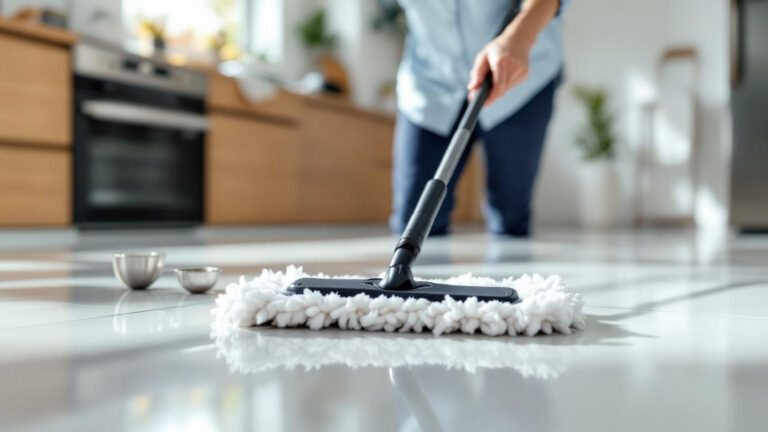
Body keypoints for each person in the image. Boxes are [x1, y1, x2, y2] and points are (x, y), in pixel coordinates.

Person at [391, 0, 568, 237]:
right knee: (413, 220)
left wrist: (520, 36)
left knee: (509, 216)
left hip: (518, 78)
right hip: (430, 83)